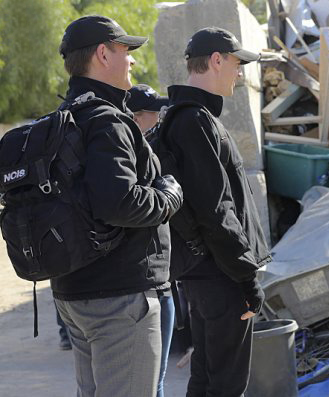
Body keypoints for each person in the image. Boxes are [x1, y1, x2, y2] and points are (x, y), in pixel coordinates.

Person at [53, 15, 183, 397]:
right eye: (126, 51)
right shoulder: (107, 121)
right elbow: (119, 202)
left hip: (73, 291)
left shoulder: (64, 117)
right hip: (118, 297)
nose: (132, 61)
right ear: (102, 54)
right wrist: (169, 196)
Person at [164, 27, 271, 397]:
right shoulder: (195, 122)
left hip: (205, 273)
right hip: (220, 274)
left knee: (207, 376)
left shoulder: (186, 118)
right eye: (237, 65)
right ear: (216, 61)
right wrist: (246, 277)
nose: (240, 74)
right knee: (226, 383)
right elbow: (216, 210)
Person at [127, 83, 174, 397]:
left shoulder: (150, 145)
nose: (159, 116)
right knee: (150, 382)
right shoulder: (131, 152)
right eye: (153, 111)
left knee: (155, 379)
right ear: (135, 115)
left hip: (158, 277)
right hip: (143, 283)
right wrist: (169, 195)